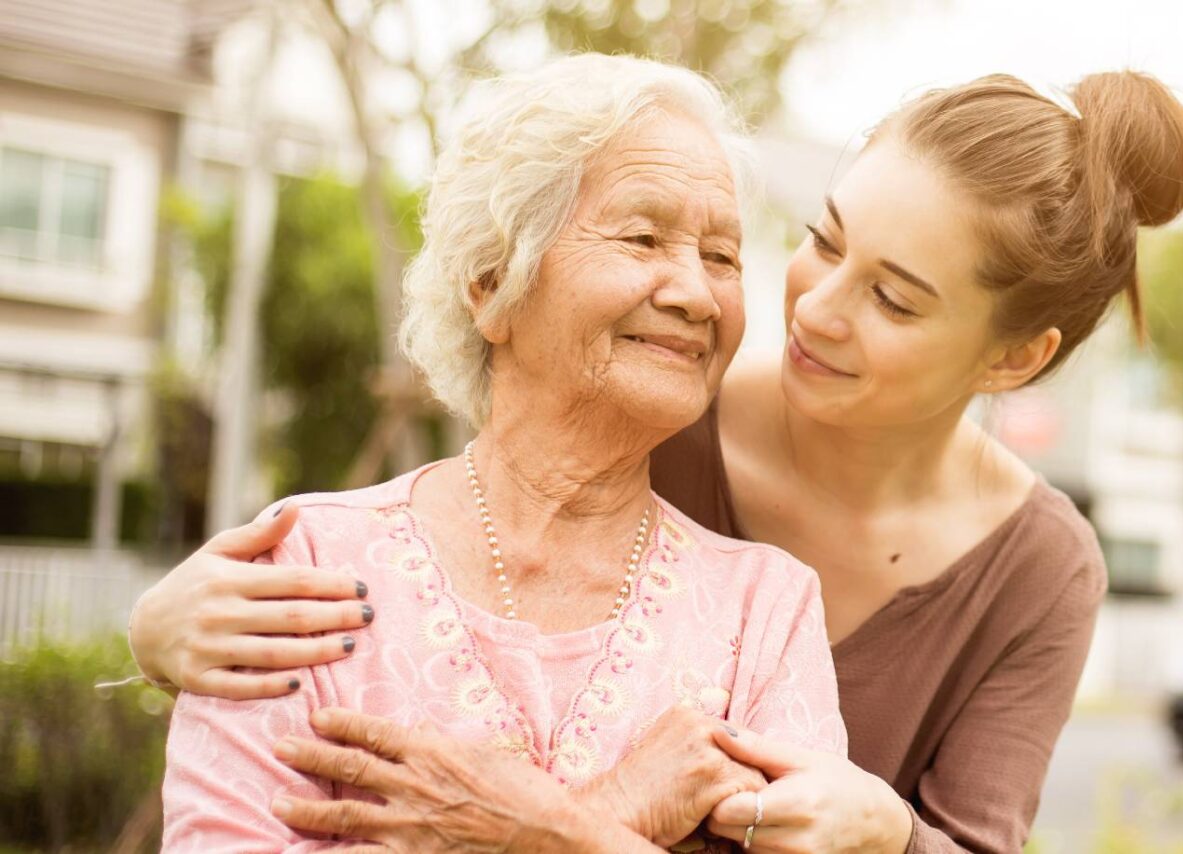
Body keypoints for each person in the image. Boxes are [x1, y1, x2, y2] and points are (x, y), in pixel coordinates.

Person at [134, 61, 1183, 853]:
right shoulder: (647, 398)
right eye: (823, 241)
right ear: (492, 280)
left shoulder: (847, 592)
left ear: (1013, 357)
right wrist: (148, 629)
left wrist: (885, 827)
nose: (810, 310)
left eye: (889, 296)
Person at [158, 54, 844, 852]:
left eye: (722, 256)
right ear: (491, 284)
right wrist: (603, 820)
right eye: (642, 236)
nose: (695, 293)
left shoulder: (766, 610)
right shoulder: (302, 568)